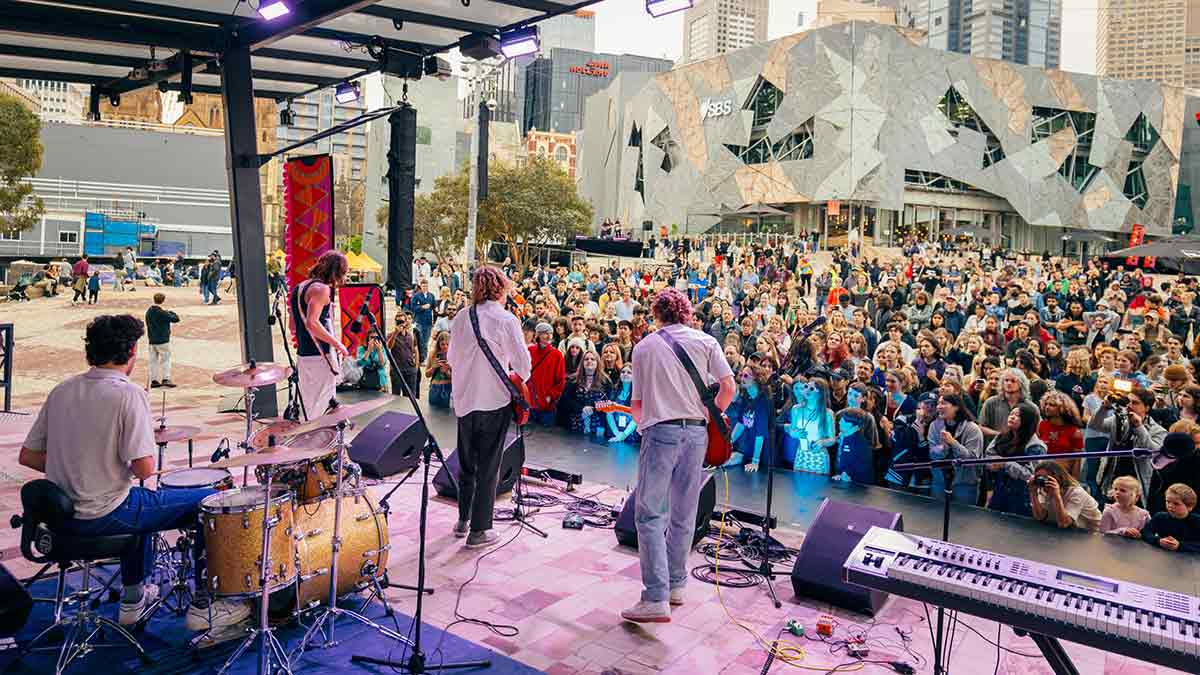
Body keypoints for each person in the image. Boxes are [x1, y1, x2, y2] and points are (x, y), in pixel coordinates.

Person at [17, 315, 248, 637]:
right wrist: (98, 469)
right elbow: (144, 469)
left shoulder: (62, 390)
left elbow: (27, 456)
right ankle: (206, 605)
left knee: (141, 504)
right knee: (209, 502)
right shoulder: (127, 394)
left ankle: (133, 598)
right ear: (132, 351)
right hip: (104, 513)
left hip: (62, 516)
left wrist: (76, 466)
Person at [622, 288, 735, 624]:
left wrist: (644, 428)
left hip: (661, 432)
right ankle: (676, 586)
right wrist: (712, 415)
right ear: (686, 312)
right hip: (697, 434)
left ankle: (655, 597)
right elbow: (728, 387)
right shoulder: (706, 341)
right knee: (684, 513)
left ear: (657, 313)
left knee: (650, 515)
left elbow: (637, 404)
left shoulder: (644, 347)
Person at [447, 266, 532, 550]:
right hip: (494, 401)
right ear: (501, 288)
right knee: (489, 466)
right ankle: (480, 531)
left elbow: (451, 358)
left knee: (467, 463)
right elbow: (524, 366)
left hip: (465, 400)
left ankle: (462, 521)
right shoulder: (506, 319)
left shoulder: (461, 318)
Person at [289, 250, 349, 420]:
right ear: (337, 271)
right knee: (323, 407)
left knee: (309, 406)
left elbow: (293, 325)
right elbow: (312, 323)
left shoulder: (300, 288)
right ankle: (319, 443)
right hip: (320, 356)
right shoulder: (322, 290)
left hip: (304, 354)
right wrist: (338, 344)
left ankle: (310, 440)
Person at [1028, 460, 1101, 532]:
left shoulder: (1076, 492)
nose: (1042, 481)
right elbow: (1040, 517)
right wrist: (1033, 492)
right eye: (1039, 477)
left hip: (1092, 533)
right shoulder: (1043, 488)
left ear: (1058, 477)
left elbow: (1064, 523)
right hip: (1070, 531)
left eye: (1046, 478)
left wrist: (1056, 495)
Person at [1141, 483, 1200, 553]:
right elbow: (1145, 532)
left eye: (1176, 503)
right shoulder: (1160, 517)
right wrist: (1158, 540)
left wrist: (1180, 545)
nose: (1170, 506)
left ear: (1189, 507)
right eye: (1168, 502)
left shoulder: (1197, 521)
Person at [527, 322, 566, 426]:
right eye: (545, 333)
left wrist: (550, 396)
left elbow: (561, 380)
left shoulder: (557, 355)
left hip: (546, 405)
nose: (548, 336)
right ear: (538, 335)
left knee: (546, 437)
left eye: (550, 333)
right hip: (529, 402)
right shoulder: (530, 350)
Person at [145, 292, 180, 389]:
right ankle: (166, 378)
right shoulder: (162, 313)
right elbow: (176, 319)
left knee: (153, 361)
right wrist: (171, 312)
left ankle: (154, 380)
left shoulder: (149, 311)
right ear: (163, 300)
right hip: (163, 340)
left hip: (152, 340)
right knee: (166, 360)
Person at [387, 312, 420, 399]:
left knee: (410, 396)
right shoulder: (391, 335)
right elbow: (389, 346)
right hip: (397, 369)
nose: (400, 323)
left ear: (406, 322)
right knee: (396, 396)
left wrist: (416, 367)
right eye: (398, 321)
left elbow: (415, 350)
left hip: (410, 369)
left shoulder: (411, 335)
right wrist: (395, 333)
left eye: (402, 321)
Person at [425, 330, 453, 409]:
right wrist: (433, 367)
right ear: (438, 344)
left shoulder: (453, 356)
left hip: (448, 387)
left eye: (447, 344)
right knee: (432, 413)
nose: (445, 347)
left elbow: (458, 379)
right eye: (442, 344)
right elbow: (427, 374)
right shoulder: (433, 354)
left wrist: (448, 371)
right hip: (434, 387)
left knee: (447, 415)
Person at [411, 279, 436, 362]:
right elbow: (413, 308)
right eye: (423, 286)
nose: (425, 287)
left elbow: (434, 308)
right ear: (420, 286)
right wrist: (422, 307)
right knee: (420, 340)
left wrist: (435, 320)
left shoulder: (431, 296)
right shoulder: (416, 296)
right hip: (419, 321)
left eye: (426, 286)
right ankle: (422, 358)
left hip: (428, 322)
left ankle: (424, 358)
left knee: (426, 341)